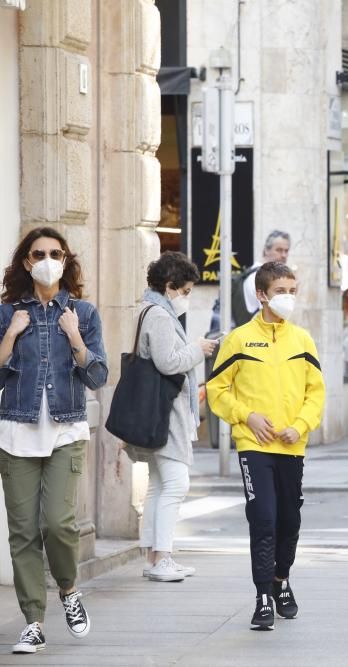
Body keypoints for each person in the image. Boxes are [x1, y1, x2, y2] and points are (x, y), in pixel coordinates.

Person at [0, 227, 108, 654]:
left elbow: (98, 376)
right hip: (15, 431)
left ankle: (68, 589)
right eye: (38, 253)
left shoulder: (83, 312)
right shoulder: (8, 312)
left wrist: (75, 337)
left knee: (59, 524)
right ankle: (33, 621)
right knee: (23, 531)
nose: (47, 259)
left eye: (55, 253)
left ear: (65, 260)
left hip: (65, 430)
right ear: (27, 262)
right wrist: (11, 334)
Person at [207, 262, 326, 631]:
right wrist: (247, 416)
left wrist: (300, 426)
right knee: (264, 520)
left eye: (292, 290)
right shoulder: (239, 339)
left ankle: (281, 581)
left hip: (292, 446)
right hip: (253, 445)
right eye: (280, 291)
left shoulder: (303, 340)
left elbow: (316, 393)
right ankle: (262, 597)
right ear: (261, 294)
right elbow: (216, 389)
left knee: (289, 521)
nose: (287, 297)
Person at [126, 252, 218, 583]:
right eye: (186, 291)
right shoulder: (161, 317)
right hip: (166, 415)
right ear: (170, 286)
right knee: (177, 483)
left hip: (157, 412)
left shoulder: (149, 311)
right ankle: (162, 557)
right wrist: (198, 349)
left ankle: (153, 556)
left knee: (159, 484)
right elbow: (168, 362)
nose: (187, 298)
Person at [210, 230, 291, 331]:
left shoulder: (259, 273)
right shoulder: (260, 277)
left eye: (286, 251)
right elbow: (270, 319)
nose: (283, 255)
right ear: (266, 250)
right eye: (279, 250)